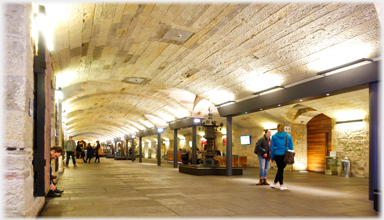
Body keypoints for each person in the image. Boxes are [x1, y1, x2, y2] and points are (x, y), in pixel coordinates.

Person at [270, 124, 293, 190]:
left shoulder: (274, 137)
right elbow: (291, 146)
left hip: (277, 154)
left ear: (277, 128)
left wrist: (272, 157)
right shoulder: (288, 136)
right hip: (285, 155)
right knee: (281, 169)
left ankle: (274, 183)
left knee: (280, 169)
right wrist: (291, 154)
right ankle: (281, 185)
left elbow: (272, 148)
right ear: (283, 128)